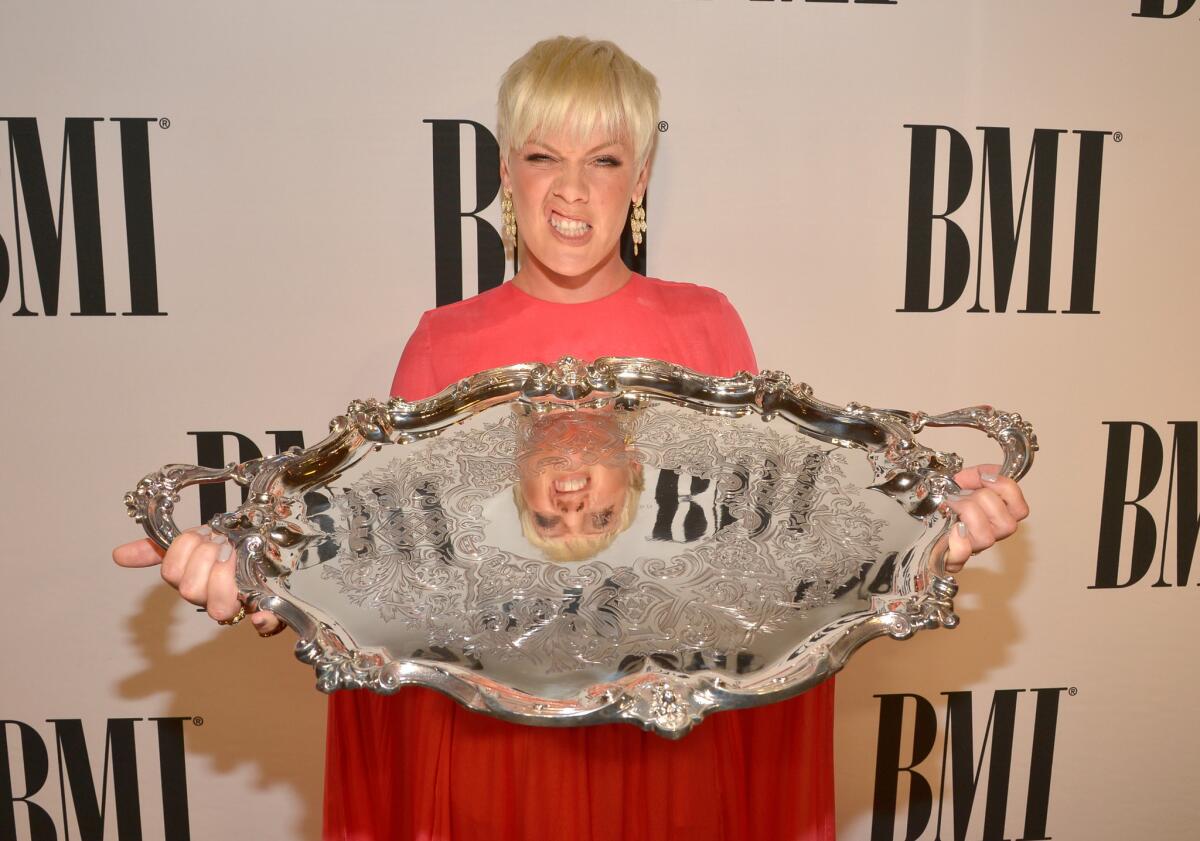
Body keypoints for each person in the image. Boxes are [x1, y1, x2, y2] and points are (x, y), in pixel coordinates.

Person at [114, 36, 1030, 840]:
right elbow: (381, 556)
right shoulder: (446, 340)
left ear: (640, 179)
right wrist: (259, 575)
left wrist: (926, 533)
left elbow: (774, 545)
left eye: (604, 159)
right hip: (493, 755)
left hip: (669, 753)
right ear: (506, 171)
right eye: (543, 154)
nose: (571, 189)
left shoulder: (705, 326)